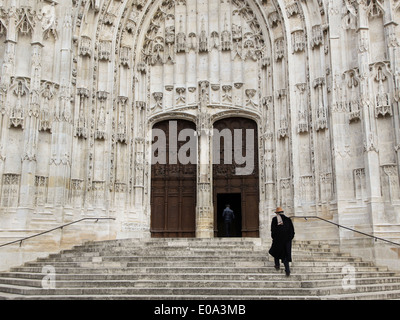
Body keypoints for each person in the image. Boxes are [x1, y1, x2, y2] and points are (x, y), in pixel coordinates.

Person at [268, 207, 295, 276]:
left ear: (277, 213)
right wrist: (290, 238)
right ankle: (287, 270)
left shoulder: (275, 219)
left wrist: (274, 237)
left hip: (278, 240)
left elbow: (273, 230)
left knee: (276, 252)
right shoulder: (288, 219)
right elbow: (292, 231)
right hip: (287, 241)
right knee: (286, 255)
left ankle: (277, 265)